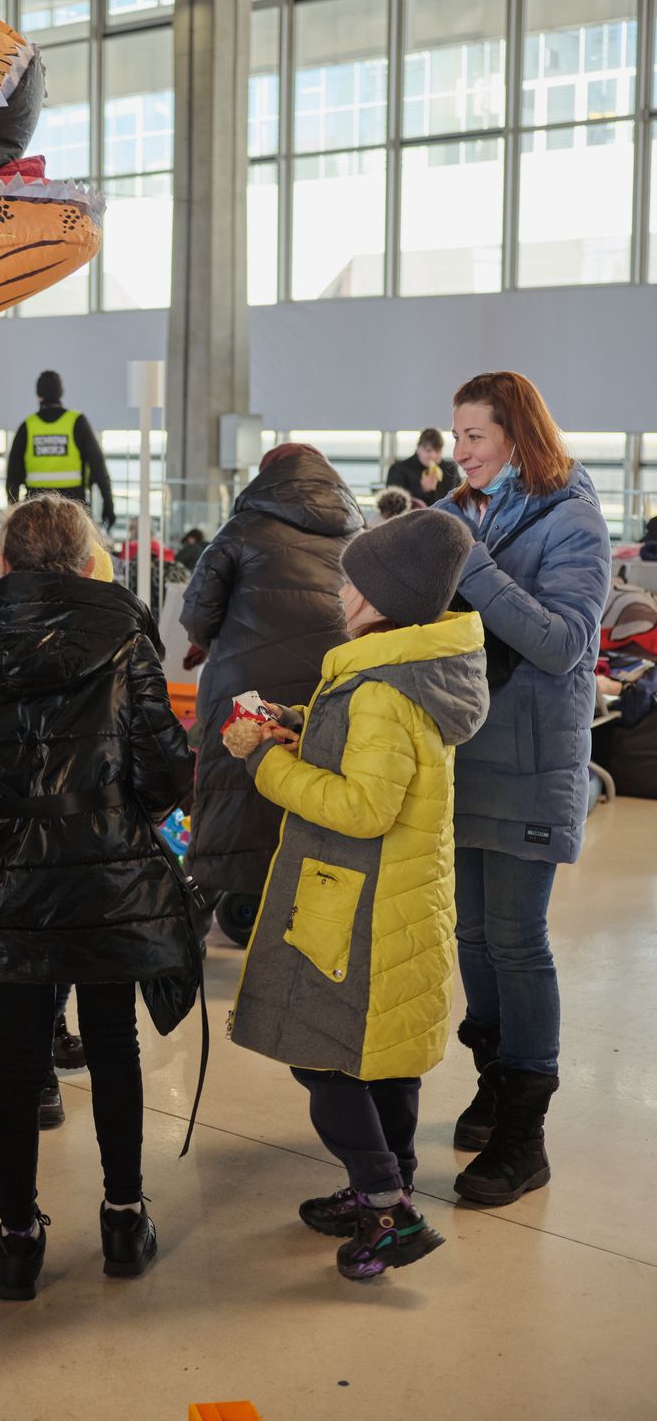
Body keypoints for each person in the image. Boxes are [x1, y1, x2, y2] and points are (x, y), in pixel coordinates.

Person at [0, 494, 194, 1302]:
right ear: (87, 562)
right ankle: (121, 1216)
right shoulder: (122, 632)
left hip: (12, 870)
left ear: (5, 562)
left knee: (17, 1055)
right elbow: (166, 769)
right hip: (108, 866)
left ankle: (17, 1238)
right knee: (113, 1041)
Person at [227, 507, 487, 1281]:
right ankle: (389, 1178)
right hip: (405, 899)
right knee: (386, 1060)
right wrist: (296, 723)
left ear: (378, 598)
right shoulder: (415, 671)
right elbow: (378, 758)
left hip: (361, 909)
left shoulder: (379, 690)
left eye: (350, 579)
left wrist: (261, 762)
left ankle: (386, 1208)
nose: (339, 588)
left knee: (327, 1059)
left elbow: (362, 806)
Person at [438, 372, 611, 1207]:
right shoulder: (464, 515)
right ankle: (495, 1082)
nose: (462, 452)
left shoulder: (572, 518)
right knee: (471, 935)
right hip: (464, 755)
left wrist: (470, 568)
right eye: (459, 435)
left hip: (532, 761)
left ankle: (525, 1133)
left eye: (477, 437)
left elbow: (563, 642)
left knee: (515, 939)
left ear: (518, 437)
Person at [179, 444, 363, 945]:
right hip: (328, 689)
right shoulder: (356, 537)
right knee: (308, 784)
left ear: (268, 478)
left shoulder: (242, 530)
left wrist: (208, 642)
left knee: (233, 783)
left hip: (245, 690)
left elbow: (197, 613)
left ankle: (203, 910)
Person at [6, 371, 115, 531]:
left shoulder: (27, 426)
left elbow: (13, 476)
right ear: (61, 392)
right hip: (73, 508)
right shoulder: (77, 422)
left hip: (36, 509)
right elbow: (98, 466)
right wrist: (108, 503)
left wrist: (14, 512)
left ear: (38, 395)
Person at [386, 428, 460, 508]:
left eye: (437, 451)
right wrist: (422, 489)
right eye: (428, 450)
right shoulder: (398, 469)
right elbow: (392, 505)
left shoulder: (449, 469)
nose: (433, 456)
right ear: (418, 448)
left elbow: (459, 496)